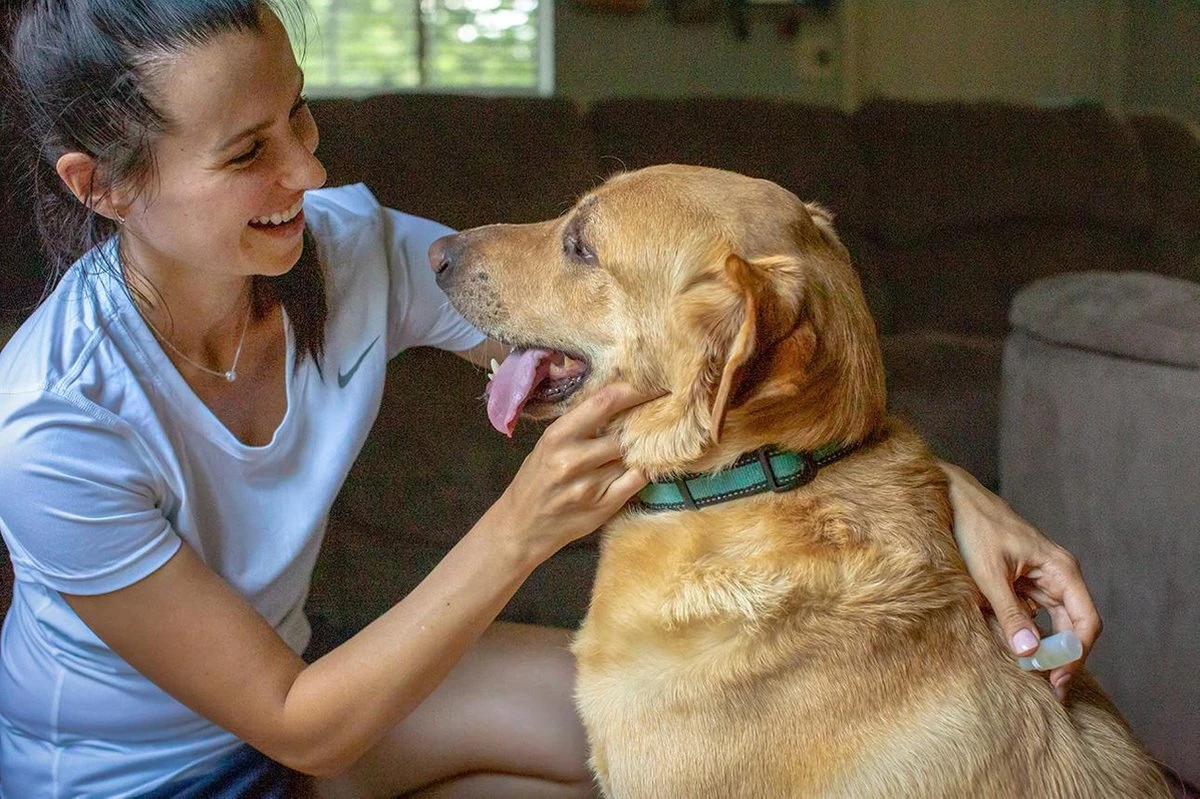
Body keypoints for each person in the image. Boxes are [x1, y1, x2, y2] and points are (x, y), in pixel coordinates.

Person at [0, 1, 1100, 797]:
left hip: (319, 699)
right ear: (101, 185)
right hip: (162, 771)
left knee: (679, 753)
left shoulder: (341, 250)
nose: (310, 173)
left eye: (302, 118)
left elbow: (651, 353)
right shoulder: (48, 429)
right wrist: (523, 527)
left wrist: (934, 488)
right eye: (249, 151)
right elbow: (298, 723)